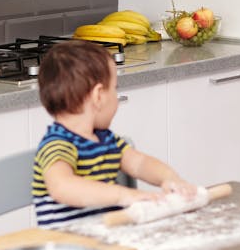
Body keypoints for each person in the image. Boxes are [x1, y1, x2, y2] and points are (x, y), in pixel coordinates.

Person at [32, 39, 198, 228]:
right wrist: (124, 195)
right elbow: (62, 187)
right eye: (114, 88)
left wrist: (170, 178)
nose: (116, 97)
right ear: (99, 96)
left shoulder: (106, 140)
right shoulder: (57, 144)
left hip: (105, 241)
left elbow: (140, 163)